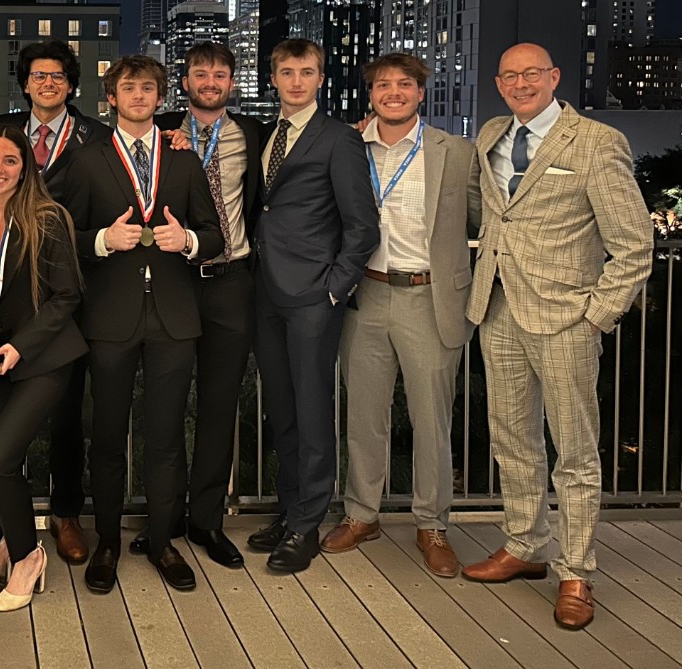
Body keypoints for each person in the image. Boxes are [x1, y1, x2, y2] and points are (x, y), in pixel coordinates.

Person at [461, 43, 652, 630]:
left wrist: (597, 314)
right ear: (498, 82)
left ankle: (577, 570)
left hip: (567, 316)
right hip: (496, 308)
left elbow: (635, 244)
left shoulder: (595, 142)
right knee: (512, 438)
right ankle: (523, 546)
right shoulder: (491, 132)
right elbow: (488, 208)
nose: (521, 83)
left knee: (574, 451)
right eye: (510, 75)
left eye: (532, 74)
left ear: (554, 78)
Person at [61, 55, 223, 594]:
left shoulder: (184, 161)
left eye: (147, 88)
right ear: (111, 97)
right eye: (127, 88)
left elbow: (215, 234)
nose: (137, 96)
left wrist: (190, 243)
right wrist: (103, 241)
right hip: (109, 317)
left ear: (160, 97)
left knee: (167, 439)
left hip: (174, 318)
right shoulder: (85, 159)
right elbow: (63, 235)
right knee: (106, 437)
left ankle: (161, 542)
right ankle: (106, 540)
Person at [322, 53, 476, 579]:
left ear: (419, 92)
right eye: (383, 85)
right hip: (364, 295)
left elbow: (484, 220)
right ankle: (362, 514)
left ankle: (432, 524)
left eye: (404, 84)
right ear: (371, 93)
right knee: (364, 416)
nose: (393, 92)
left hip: (430, 298)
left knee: (432, 420)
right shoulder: (347, 145)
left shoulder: (455, 152)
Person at [244, 39, 379, 573]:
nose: (296, 81)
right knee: (282, 409)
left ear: (321, 78)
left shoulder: (339, 139)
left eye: (306, 72)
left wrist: (334, 288)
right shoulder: (265, 134)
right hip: (265, 293)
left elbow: (362, 225)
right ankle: (289, 507)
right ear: (272, 78)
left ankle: (307, 525)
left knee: (312, 410)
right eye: (286, 72)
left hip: (313, 298)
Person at [146, 41, 267, 568]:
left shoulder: (253, 135)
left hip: (230, 281)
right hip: (172, 280)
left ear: (232, 82)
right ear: (185, 80)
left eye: (220, 73)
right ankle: (164, 519)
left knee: (219, 407)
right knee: (166, 406)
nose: (210, 81)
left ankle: (207, 522)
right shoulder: (159, 129)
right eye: (201, 73)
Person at [0, 123, 86, 611]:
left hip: (43, 357)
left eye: (10, 160)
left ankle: (28, 557)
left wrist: (21, 347)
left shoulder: (48, 217)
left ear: (25, 167)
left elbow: (67, 295)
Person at [0, 39, 111, 565]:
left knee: (66, 416)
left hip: (71, 288)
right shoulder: (1, 129)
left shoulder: (98, 137)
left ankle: (65, 513)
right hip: (6, 290)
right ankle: (0, 519)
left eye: (58, 76)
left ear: (71, 83)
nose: (48, 83)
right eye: (38, 75)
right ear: (25, 82)